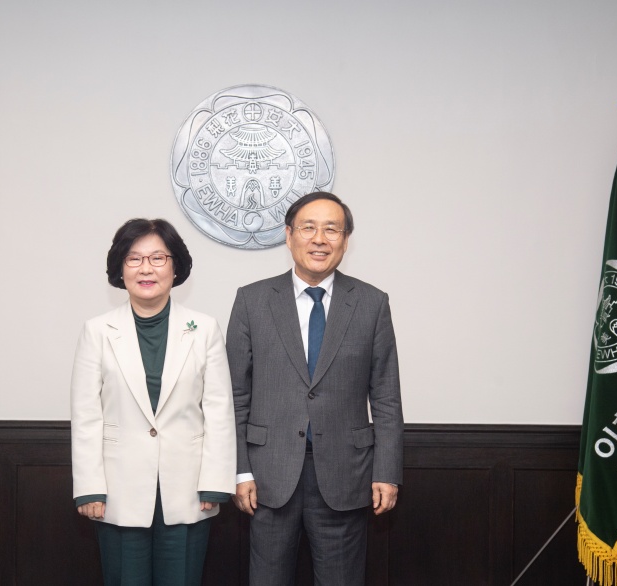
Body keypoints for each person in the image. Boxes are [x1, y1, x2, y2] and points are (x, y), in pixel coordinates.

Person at [226, 191, 404, 585]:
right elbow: (235, 397)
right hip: (268, 476)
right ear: (289, 235)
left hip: (346, 474)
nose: (319, 239)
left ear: (345, 240)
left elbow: (386, 398)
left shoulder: (372, 303)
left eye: (332, 230)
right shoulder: (252, 300)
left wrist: (387, 472)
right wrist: (239, 470)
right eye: (308, 228)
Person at [71, 218, 236, 586]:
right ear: (120, 269)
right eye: (134, 258)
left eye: (158, 258)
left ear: (175, 267)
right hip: (117, 492)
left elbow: (219, 410)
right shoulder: (97, 331)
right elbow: (86, 416)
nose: (146, 268)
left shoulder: (204, 329)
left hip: (189, 490)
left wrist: (215, 481)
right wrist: (90, 487)